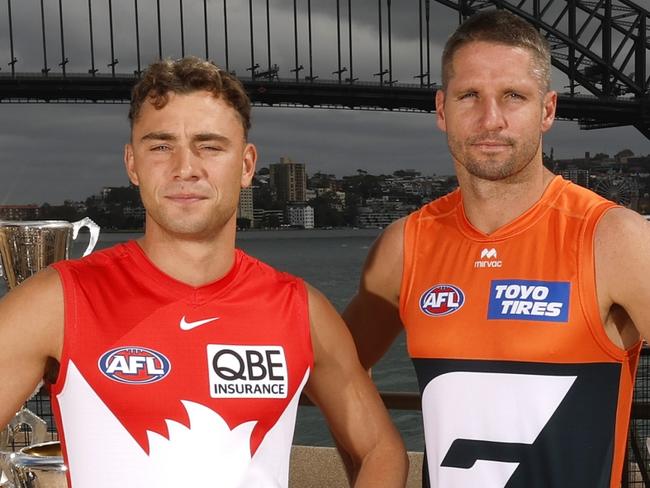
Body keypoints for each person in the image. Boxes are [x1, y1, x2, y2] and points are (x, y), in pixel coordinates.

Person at [0, 57, 407, 487]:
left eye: (209, 146)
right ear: (132, 163)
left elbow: (380, 449)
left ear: (247, 165)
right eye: (160, 146)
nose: (185, 167)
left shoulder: (301, 310)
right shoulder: (58, 302)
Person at [344, 9, 649, 488]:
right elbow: (334, 372)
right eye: (470, 96)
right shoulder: (406, 244)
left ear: (547, 110)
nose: (491, 119)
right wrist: (379, 458)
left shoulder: (613, 238)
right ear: (442, 109)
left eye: (513, 95)